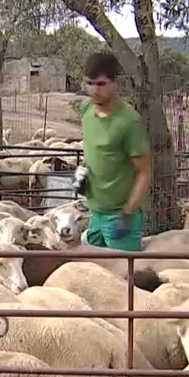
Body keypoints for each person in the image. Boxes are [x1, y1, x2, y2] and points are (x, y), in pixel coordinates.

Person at [76, 52, 153, 252]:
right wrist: (83, 172)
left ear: (115, 83)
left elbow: (144, 172)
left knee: (122, 279)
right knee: (95, 274)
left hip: (119, 217)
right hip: (95, 212)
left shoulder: (128, 121)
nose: (94, 90)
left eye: (101, 84)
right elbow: (93, 149)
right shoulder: (86, 110)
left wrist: (128, 213)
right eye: (89, 83)